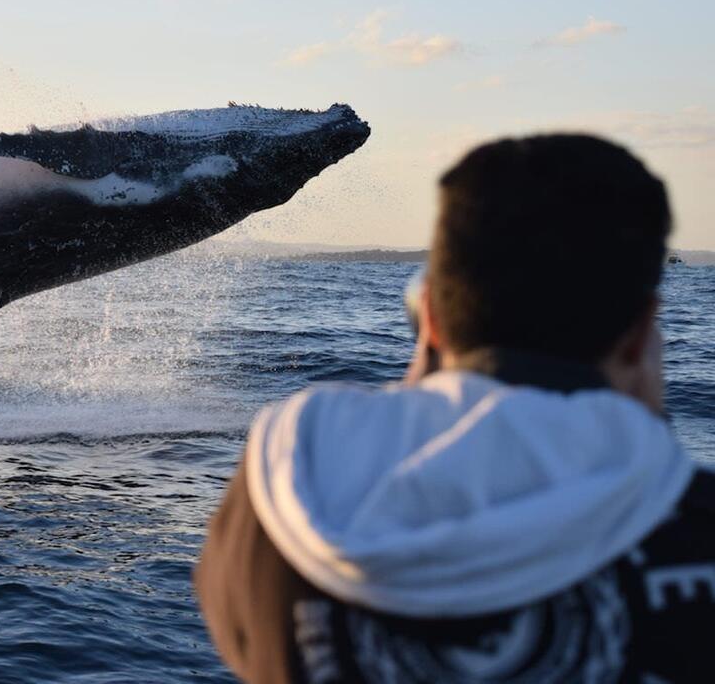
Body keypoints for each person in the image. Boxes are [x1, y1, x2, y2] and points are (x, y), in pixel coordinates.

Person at [195, 134, 713, 683]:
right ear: (639, 334)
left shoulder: (283, 492)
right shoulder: (694, 521)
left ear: (432, 320)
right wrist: (645, 426)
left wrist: (426, 381)